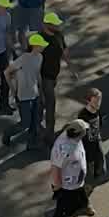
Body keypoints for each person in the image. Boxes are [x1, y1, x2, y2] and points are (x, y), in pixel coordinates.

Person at [47, 119, 89, 217]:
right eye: (84, 131)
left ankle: (84, 205)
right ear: (78, 134)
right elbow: (55, 169)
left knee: (80, 194)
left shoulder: (74, 138)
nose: (86, 133)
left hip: (76, 182)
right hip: (66, 186)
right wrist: (58, 187)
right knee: (62, 211)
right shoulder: (63, 147)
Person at [4, 33, 46, 149]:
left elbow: (38, 74)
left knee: (35, 121)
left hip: (35, 94)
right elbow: (7, 72)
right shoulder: (22, 59)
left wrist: (41, 91)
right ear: (35, 46)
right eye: (41, 45)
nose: (43, 47)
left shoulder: (40, 58)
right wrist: (13, 89)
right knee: (25, 123)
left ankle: (32, 143)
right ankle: (8, 133)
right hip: (23, 96)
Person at [39, 9, 67, 142]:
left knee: (42, 103)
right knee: (50, 104)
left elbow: (63, 51)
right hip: (44, 77)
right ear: (47, 25)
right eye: (55, 24)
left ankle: (35, 124)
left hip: (54, 75)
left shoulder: (58, 35)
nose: (57, 26)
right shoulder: (39, 40)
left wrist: (71, 67)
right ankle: (49, 135)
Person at [77, 88, 105, 196]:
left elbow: (99, 126)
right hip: (87, 150)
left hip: (97, 146)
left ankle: (89, 187)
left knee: (100, 169)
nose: (98, 103)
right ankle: (84, 197)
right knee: (89, 174)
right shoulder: (83, 116)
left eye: (100, 100)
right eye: (96, 101)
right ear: (88, 101)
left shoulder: (98, 112)